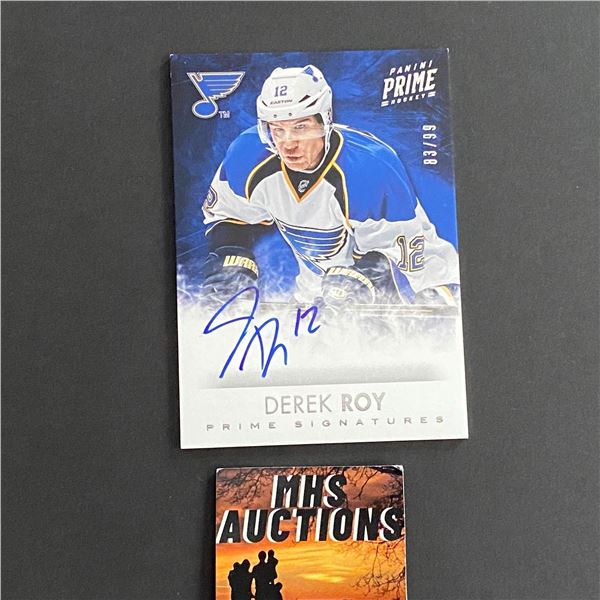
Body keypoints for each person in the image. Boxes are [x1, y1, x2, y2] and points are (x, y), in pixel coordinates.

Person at [200, 65, 459, 309]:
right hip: (313, 301)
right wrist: (230, 256)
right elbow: (229, 217)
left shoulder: (370, 168)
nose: (288, 144)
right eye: (277, 130)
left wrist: (363, 281)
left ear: (324, 121)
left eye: (300, 127)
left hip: (415, 294)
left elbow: (403, 264)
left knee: (346, 288)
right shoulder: (248, 155)